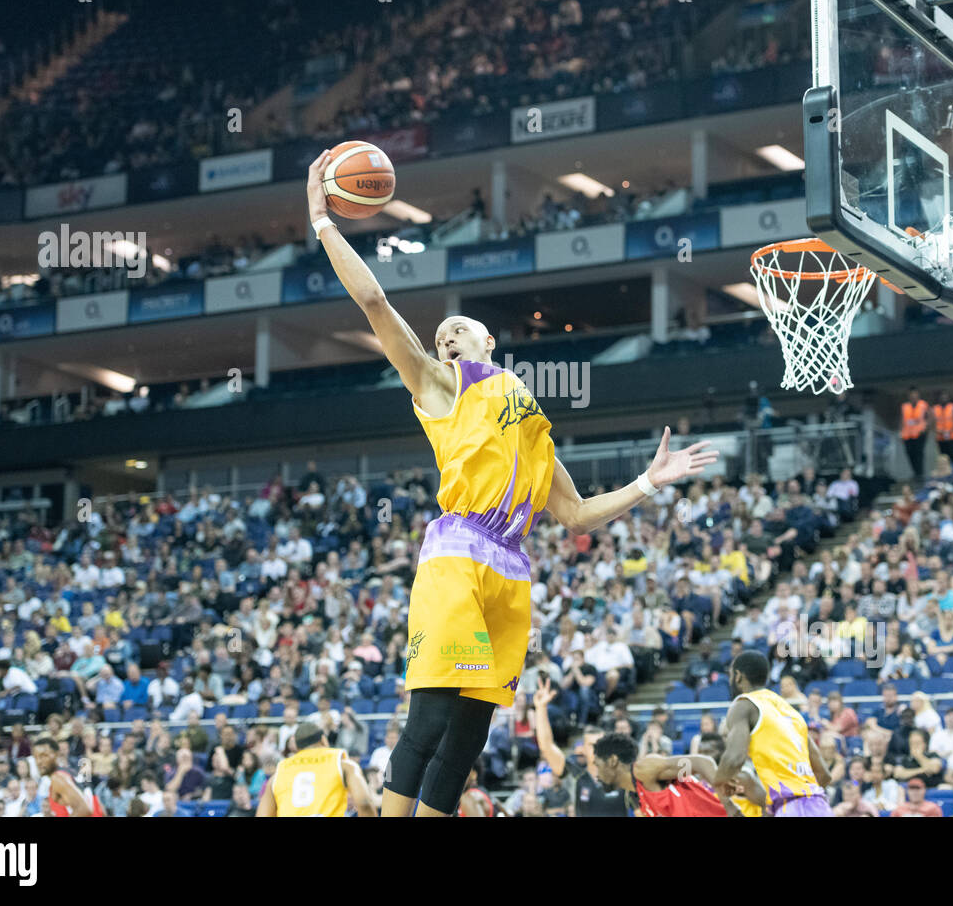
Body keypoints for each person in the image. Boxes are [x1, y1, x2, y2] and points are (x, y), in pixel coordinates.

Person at [307, 151, 718, 818]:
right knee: (432, 720)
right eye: (438, 336)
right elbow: (375, 302)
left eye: (456, 330)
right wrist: (323, 221)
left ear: (489, 339)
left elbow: (578, 516)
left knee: (470, 737)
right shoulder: (441, 386)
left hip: (511, 568)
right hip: (457, 555)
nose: (443, 339)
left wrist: (648, 480)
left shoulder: (528, 420)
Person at [716, 651, 833, 816]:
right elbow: (824, 774)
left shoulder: (744, 705)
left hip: (790, 808)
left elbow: (734, 758)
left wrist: (716, 783)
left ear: (737, 676)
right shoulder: (790, 711)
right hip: (820, 806)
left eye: (730, 676)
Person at [531, 678, 626, 816]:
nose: (597, 750)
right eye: (592, 745)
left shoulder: (624, 777)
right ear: (582, 750)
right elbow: (546, 746)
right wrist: (541, 708)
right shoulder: (576, 775)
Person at [591, 732, 745, 817]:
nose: (596, 774)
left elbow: (700, 763)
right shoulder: (638, 796)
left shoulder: (645, 770)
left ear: (612, 761)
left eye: (597, 765)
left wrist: (728, 804)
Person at [255, 722, 375, 817]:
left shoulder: (278, 774)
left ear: (296, 747)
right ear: (323, 739)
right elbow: (364, 805)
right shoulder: (343, 764)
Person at [31, 737, 105, 817]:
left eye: (44, 756)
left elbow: (84, 809)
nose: (39, 762)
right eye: (36, 757)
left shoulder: (58, 778)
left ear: (57, 754)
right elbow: (101, 810)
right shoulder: (71, 773)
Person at [901, 387, 930, 478]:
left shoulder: (923, 405)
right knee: (910, 454)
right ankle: (915, 472)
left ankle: (920, 473)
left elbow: (930, 417)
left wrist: (925, 428)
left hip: (919, 434)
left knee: (919, 453)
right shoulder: (905, 406)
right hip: (907, 435)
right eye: (911, 395)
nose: (913, 396)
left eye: (915, 394)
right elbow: (902, 420)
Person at [932, 391, 953, 462]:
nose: (944, 399)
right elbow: (933, 423)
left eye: (945, 397)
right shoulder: (935, 409)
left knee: (952, 454)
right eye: (942, 397)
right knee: (943, 456)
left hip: (952, 436)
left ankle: (952, 470)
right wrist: (940, 432)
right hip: (940, 437)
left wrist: (949, 432)